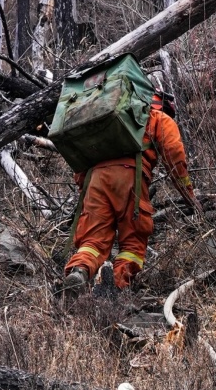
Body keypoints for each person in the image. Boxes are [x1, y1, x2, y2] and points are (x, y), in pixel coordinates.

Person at [63, 89, 196, 293]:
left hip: (95, 179)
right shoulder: (157, 117)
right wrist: (188, 195)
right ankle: (116, 287)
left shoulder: (106, 119)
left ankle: (79, 270)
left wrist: (86, 188)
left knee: (92, 240)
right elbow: (175, 155)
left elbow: (82, 160)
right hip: (129, 179)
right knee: (133, 242)